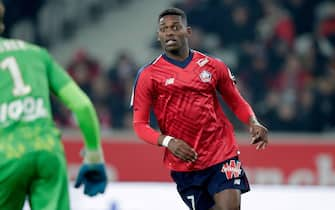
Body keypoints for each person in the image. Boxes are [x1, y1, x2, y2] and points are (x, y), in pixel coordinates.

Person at [131, 8, 268, 210]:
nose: (169, 32)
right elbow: (140, 125)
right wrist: (168, 142)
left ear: (187, 32)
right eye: (164, 29)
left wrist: (253, 122)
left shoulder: (213, 65)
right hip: (185, 163)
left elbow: (235, 100)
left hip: (222, 153)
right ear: (159, 36)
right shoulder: (148, 75)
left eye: (175, 27)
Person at [0, 2, 107, 210]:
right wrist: (94, 157)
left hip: (5, 156)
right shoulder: (37, 54)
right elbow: (83, 105)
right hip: (47, 151)